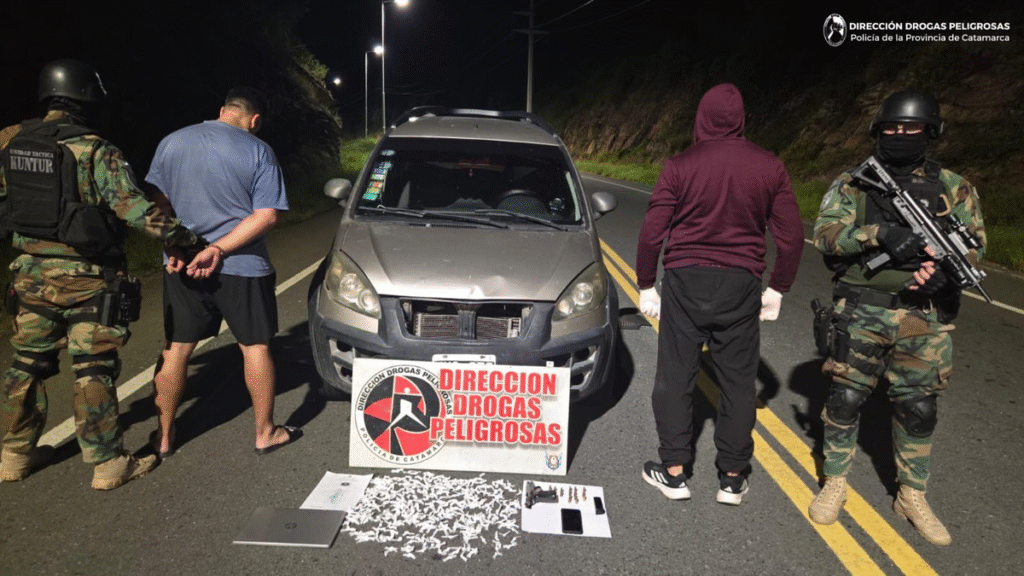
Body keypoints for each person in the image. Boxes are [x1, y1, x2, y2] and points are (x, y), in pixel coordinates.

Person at [0, 59, 208, 489]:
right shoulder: (96, 150)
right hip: (89, 278)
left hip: (29, 273)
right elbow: (134, 208)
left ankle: (13, 455)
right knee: (93, 366)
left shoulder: (9, 141)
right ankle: (108, 462)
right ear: (86, 99)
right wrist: (184, 240)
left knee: (27, 363)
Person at [809, 90, 985, 545]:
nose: (901, 134)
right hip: (862, 310)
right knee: (845, 399)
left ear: (931, 132)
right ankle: (834, 481)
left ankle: (912, 494)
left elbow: (974, 246)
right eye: (892, 127)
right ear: (878, 130)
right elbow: (825, 237)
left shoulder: (955, 187)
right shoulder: (853, 183)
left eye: (912, 128)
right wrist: (877, 234)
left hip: (921, 319)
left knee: (919, 407)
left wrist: (945, 278)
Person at [635, 83, 804, 505]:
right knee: (739, 382)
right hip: (740, 284)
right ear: (741, 120)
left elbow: (652, 231)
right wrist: (778, 288)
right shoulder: (769, 167)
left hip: (686, 280)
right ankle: (731, 476)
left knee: (675, 376)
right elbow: (792, 238)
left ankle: (674, 471)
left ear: (702, 118)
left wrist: (646, 284)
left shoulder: (680, 165)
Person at [144, 87, 300, 458]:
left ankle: (163, 437)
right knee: (255, 347)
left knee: (176, 348)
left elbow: (153, 203)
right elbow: (266, 215)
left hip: (182, 263)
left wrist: (173, 246)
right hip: (242, 266)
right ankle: (265, 433)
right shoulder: (259, 151)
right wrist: (218, 249)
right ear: (254, 120)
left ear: (222, 110)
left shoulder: (172, 142)